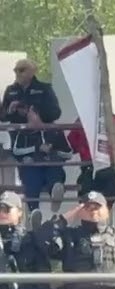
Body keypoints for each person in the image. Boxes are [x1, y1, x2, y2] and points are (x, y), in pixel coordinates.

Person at [4, 59, 65, 213]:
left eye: (22, 70)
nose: (17, 73)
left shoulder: (44, 89)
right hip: (23, 141)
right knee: (30, 172)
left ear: (32, 72)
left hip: (44, 136)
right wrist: (10, 111)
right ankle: (33, 212)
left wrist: (36, 114)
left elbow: (55, 112)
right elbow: (2, 116)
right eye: (16, 70)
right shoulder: (11, 90)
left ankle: (55, 194)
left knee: (53, 167)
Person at [0, 190, 56, 289]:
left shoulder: (31, 240)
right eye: (0, 208)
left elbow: (42, 274)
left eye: (7, 209)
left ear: (19, 212)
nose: (2, 213)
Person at [67, 113, 115, 208]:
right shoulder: (82, 121)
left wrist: (112, 158)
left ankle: (98, 214)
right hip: (90, 168)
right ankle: (90, 217)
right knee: (86, 191)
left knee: (107, 188)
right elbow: (71, 144)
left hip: (111, 167)